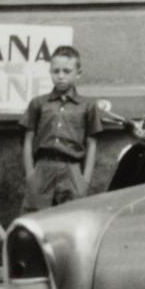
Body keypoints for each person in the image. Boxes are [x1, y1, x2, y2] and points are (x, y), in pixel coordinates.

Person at [20, 45, 104, 211]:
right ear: (50, 71)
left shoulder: (87, 106)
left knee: (71, 218)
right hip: (43, 168)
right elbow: (28, 140)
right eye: (56, 71)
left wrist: (84, 180)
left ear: (78, 73)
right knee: (36, 219)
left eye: (66, 71)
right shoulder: (38, 103)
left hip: (72, 169)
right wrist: (31, 175)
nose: (60, 76)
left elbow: (92, 143)